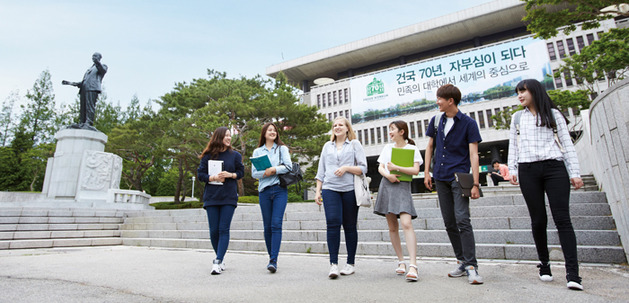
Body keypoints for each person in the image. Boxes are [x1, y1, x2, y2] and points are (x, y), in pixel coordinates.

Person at [507, 79, 584, 291]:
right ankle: (545, 264)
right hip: (528, 170)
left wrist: (574, 172)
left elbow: (567, 145)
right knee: (538, 219)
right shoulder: (517, 118)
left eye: (523, 91)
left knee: (562, 219)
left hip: (554, 168)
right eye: (518, 92)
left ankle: (573, 273)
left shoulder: (553, 114)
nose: (520, 95)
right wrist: (512, 169)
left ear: (535, 91)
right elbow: (513, 146)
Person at [424, 84, 484, 285]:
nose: (437, 101)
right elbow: (430, 147)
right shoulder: (436, 120)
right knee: (449, 221)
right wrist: (426, 172)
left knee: (462, 220)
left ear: (451, 100)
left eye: (440, 98)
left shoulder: (468, 123)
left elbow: (474, 154)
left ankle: (472, 266)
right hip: (440, 176)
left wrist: (475, 183)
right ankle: (461, 261)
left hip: (459, 177)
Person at [315, 117, 367, 279]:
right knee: (332, 223)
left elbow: (363, 167)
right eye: (334, 125)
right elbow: (321, 171)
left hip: (349, 190)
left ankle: (350, 263)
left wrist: (346, 168)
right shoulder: (327, 146)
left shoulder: (354, 145)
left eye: (340, 125)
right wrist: (318, 191)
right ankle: (333, 264)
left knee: (350, 225)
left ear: (347, 128)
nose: (337, 127)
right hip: (330, 189)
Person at [373, 120, 423, 282]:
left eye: (393, 129)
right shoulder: (387, 148)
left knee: (407, 223)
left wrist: (397, 169)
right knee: (392, 227)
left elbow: (415, 170)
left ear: (402, 131)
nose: (390, 132)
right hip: (387, 185)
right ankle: (401, 261)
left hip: (403, 187)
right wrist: (388, 174)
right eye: (390, 130)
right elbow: (381, 167)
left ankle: (413, 265)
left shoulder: (412, 148)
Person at [197, 127, 245, 275]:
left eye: (230, 136)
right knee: (214, 231)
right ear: (218, 137)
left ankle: (217, 260)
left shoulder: (235, 155)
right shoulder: (208, 156)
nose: (229, 138)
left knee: (224, 229)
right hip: (211, 196)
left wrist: (230, 175)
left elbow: (241, 172)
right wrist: (213, 178)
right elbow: (200, 174)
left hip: (228, 197)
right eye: (226, 136)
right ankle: (221, 256)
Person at [251, 122, 292, 273]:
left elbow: (289, 167)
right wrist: (265, 173)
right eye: (269, 130)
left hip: (280, 190)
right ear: (264, 133)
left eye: (274, 130)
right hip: (264, 191)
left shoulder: (282, 149)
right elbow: (254, 173)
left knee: (276, 224)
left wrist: (274, 169)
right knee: (267, 226)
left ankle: (273, 260)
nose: (272, 132)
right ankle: (271, 257)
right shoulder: (257, 151)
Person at [62, 52, 107, 129]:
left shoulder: (102, 66)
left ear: (99, 58)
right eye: (93, 56)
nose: (93, 57)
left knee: (90, 106)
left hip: (92, 88)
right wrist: (70, 83)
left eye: (95, 56)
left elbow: (102, 70)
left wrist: (97, 62)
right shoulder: (89, 69)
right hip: (84, 89)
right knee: (83, 107)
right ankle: (82, 122)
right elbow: (83, 82)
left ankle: (89, 122)